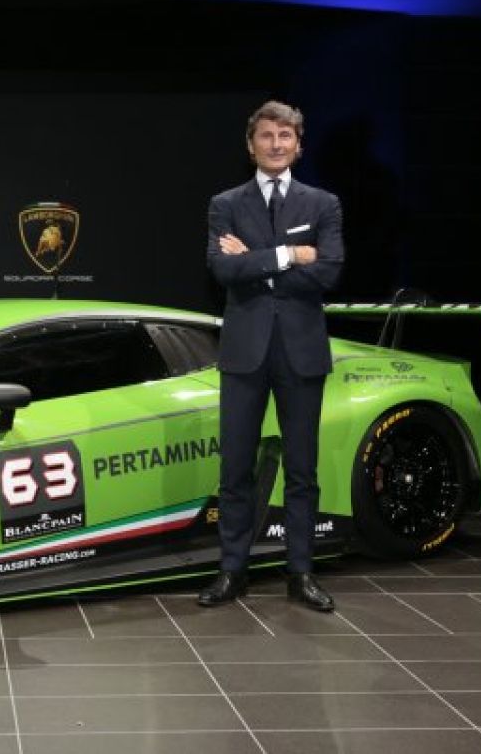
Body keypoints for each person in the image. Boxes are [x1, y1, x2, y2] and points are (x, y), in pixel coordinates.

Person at [198, 100, 344, 612]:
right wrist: (289, 255)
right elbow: (222, 270)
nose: (276, 144)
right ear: (250, 144)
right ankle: (232, 571)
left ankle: (300, 573)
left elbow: (328, 272)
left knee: (302, 471)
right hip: (245, 353)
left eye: (285, 136)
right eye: (266, 135)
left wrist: (255, 263)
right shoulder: (225, 204)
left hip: (301, 352)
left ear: (298, 146)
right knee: (235, 468)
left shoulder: (323, 204)